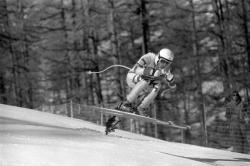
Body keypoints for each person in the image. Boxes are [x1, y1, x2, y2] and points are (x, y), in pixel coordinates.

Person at [117, 48, 176, 116]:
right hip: (132, 77)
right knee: (146, 79)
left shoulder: (165, 69)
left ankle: (141, 108)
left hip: (145, 84)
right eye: (163, 61)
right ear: (158, 57)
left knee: (157, 85)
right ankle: (126, 103)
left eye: (167, 63)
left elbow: (173, 87)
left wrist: (170, 79)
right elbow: (136, 69)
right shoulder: (149, 57)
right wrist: (151, 72)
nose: (164, 65)